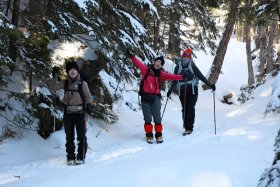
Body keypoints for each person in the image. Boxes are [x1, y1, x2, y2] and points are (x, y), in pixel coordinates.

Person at [127, 50, 184, 144]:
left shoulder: (161, 74)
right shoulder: (146, 70)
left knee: (157, 117)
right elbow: (138, 63)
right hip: (145, 96)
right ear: (154, 62)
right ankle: (149, 135)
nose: (158, 64)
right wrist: (131, 56)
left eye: (160, 63)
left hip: (155, 98)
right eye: (157, 62)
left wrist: (182, 77)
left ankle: (158, 135)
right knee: (147, 118)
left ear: (161, 66)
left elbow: (172, 76)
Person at [50, 61, 93, 165]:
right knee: (69, 136)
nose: (72, 71)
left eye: (74, 69)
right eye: (70, 70)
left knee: (81, 135)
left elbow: (88, 97)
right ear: (67, 72)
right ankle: (70, 157)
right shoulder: (65, 83)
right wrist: (54, 76)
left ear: (77, 71)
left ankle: (80, 157)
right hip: (68, 112)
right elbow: (53, 88)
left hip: (80, 113)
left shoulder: (82, 83)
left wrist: (88, 105)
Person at [167, 48, 216, 136]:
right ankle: (186, 126)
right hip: (182, 90)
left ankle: (189, 128)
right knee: (184, 108)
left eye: (188, 57)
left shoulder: (192, 66)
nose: (186, 58)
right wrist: (170, 90)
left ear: (190, 58)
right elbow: (174, 79)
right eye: (184, 56)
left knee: (190, 108)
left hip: (193, 90)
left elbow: (201, 76)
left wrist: (210, 84)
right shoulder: (178, 67)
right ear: (182, 57)